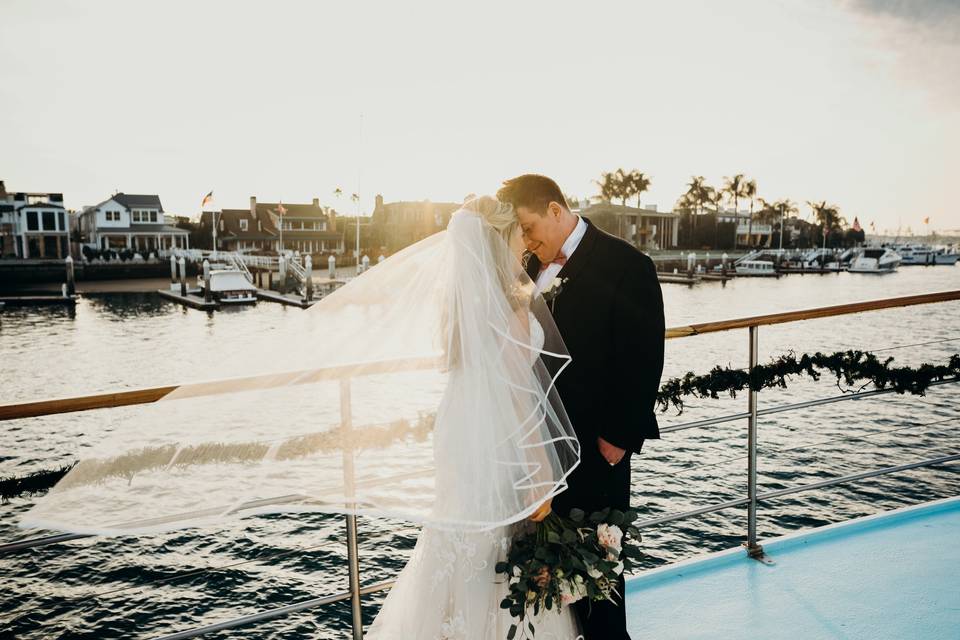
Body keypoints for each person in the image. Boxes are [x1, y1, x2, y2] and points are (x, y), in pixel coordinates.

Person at [497, 174, 666, 640]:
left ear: (555, 210)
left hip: (595, 447)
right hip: (538, 449)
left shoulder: (627, 264)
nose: (527, 240)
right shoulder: (525, 267)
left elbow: (644, 356)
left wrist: (617, 438)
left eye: (530, 227)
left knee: (597, 581)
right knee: (548, 575)